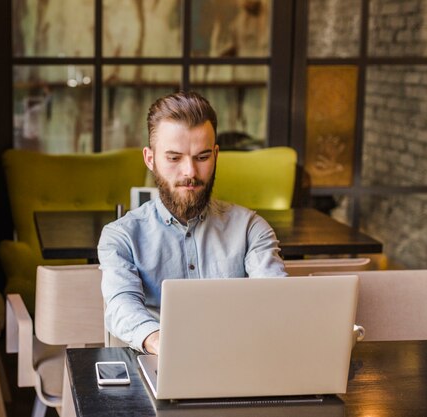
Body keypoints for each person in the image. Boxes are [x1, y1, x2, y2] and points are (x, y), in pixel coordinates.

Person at [98, 91, 287, 355]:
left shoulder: (250, 229)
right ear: (150, 159)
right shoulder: (121, 236)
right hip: (159, 363)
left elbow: (275, 296)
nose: (190, 173)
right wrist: (160, 342)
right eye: (174, 158)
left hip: (238, 360)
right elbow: (121, 304)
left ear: (216, 155)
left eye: (202, 157)